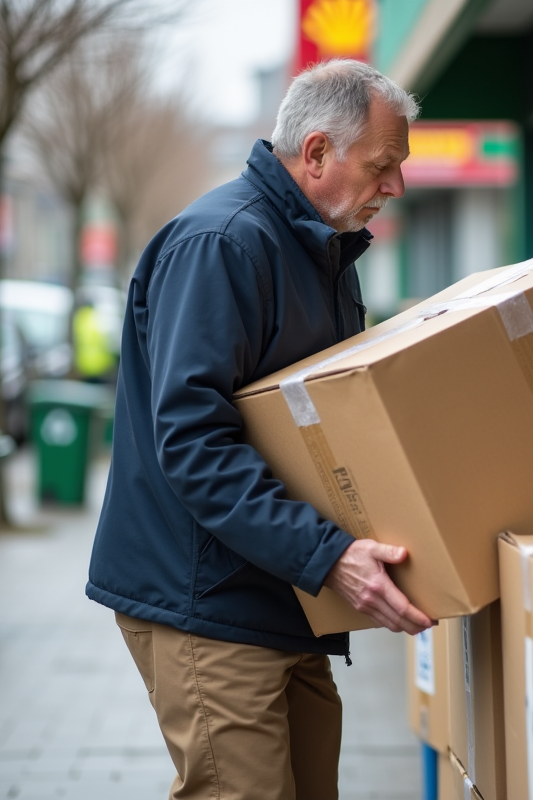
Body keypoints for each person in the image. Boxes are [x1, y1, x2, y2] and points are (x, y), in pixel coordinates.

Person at [85, 59, 433, 800]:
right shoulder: (226, 245)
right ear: (315, 153)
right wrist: (330, 557)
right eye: (383, 166)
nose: (395, 187)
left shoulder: (318, 247)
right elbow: (194, 441)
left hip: (279, 593)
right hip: (208, 601)